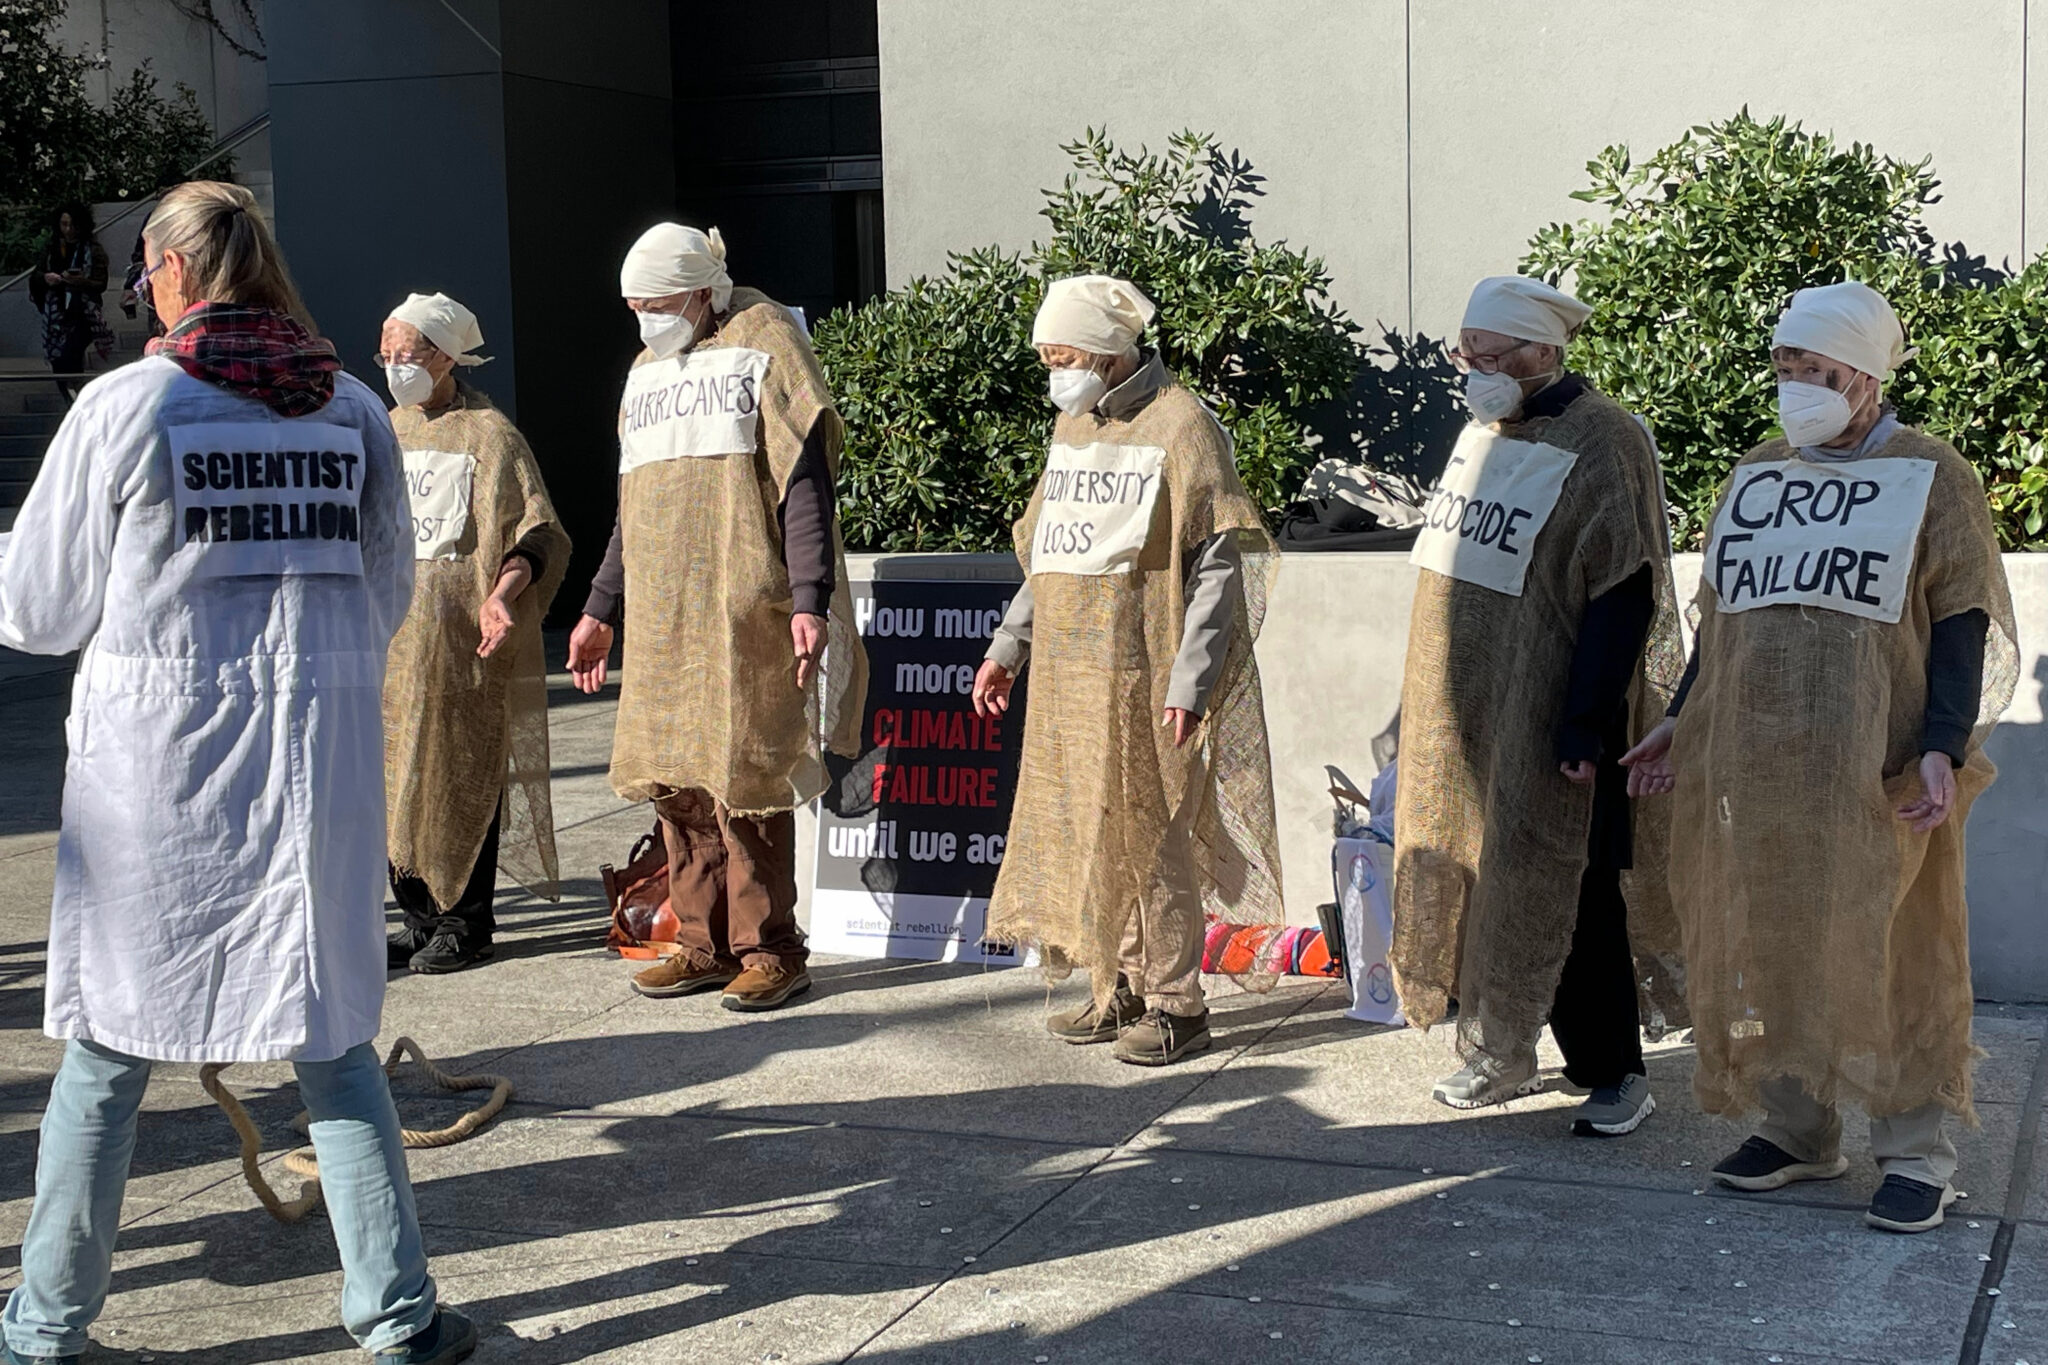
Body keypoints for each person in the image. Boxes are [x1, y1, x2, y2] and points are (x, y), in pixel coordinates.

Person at [0, 181, 472, 1364]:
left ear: (168, 271)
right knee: (332, 1047)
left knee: (109, 1057)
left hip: (157, 786)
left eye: (143, 273)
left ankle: (46, 1331)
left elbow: (40, 610)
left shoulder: (128, 405)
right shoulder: (352, 412)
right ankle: (399, 1319)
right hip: (313, 775)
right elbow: (386, 593)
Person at [1623, 281, 2015, 1233]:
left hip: (1875, 765)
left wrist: (1941, 746)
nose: (1796, 383)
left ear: (1867, 376)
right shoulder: (1759, 470)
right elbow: (1727, 617)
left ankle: (1917, 1151)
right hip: (1758, 767)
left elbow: (1961, 615)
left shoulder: (1930, 473)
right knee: (1767, 945)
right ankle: (1798, 1128)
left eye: (1817, 368)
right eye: (1784, 366)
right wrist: (1685, 717)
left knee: (1892, 947)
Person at [1390, 275, 1686, 1136]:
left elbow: (1624, 589)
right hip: (1471, 710)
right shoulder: (1486, 430)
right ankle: (1501, 1047)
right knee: (1489, 880)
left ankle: (1614, 1071)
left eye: (1493, 356)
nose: (1475, 370)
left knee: (1571, 885)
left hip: (1557, 713)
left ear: (1543, 353)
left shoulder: (1605, 439)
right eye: (1467, 355)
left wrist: (1586, 718)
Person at [972, 275, 1284, 1067]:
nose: (1054, 373)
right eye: (1047, 358)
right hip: (1072, 683)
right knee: (1092, 833)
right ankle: (1117, 984)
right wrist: (1009, 646)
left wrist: (1193, 681)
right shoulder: (1071, 427)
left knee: (1155, 839)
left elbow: (1220, 563)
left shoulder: (1182, 427)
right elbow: (1052, 554)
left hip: (1148, 675)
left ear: (1111, 355)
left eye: (1065, 356)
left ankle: (1178, 1002)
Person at [568, 223, 866, 1011]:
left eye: (658, 305)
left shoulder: (766, 345)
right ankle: (701, 941)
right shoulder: (647, 370)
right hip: (665, 618)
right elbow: (632, 506)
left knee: (748, 775)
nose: (646, 322)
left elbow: (801, 481)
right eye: (634, 308)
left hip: (742, 610)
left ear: (703, 292)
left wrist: (809, 599)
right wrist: (600, 605)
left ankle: (770, 948)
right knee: (679, 782)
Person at [380, 292, 570, 974]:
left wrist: (502, 593)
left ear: (446, 356)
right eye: (386, 354)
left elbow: (534, 531)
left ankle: (465, 922)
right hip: (393, 645)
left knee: (460, 775)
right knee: (395, 777)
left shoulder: (489, 435)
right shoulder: (386, 429)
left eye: (407, 354)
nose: (394, 366)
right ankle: (416, 915)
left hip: (461, 646)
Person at [25, 203, 110, 404]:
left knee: (70, 355)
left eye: (73, 225)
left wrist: (82, 282)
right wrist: (46, 278)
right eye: (64, 224)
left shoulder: (92, 249)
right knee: (59, 361)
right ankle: (73, 401)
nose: (68, 230)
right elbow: (36, 275)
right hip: (57, 311)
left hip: (83, 312)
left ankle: (79, 400)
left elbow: (101, 283)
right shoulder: (52, 248)